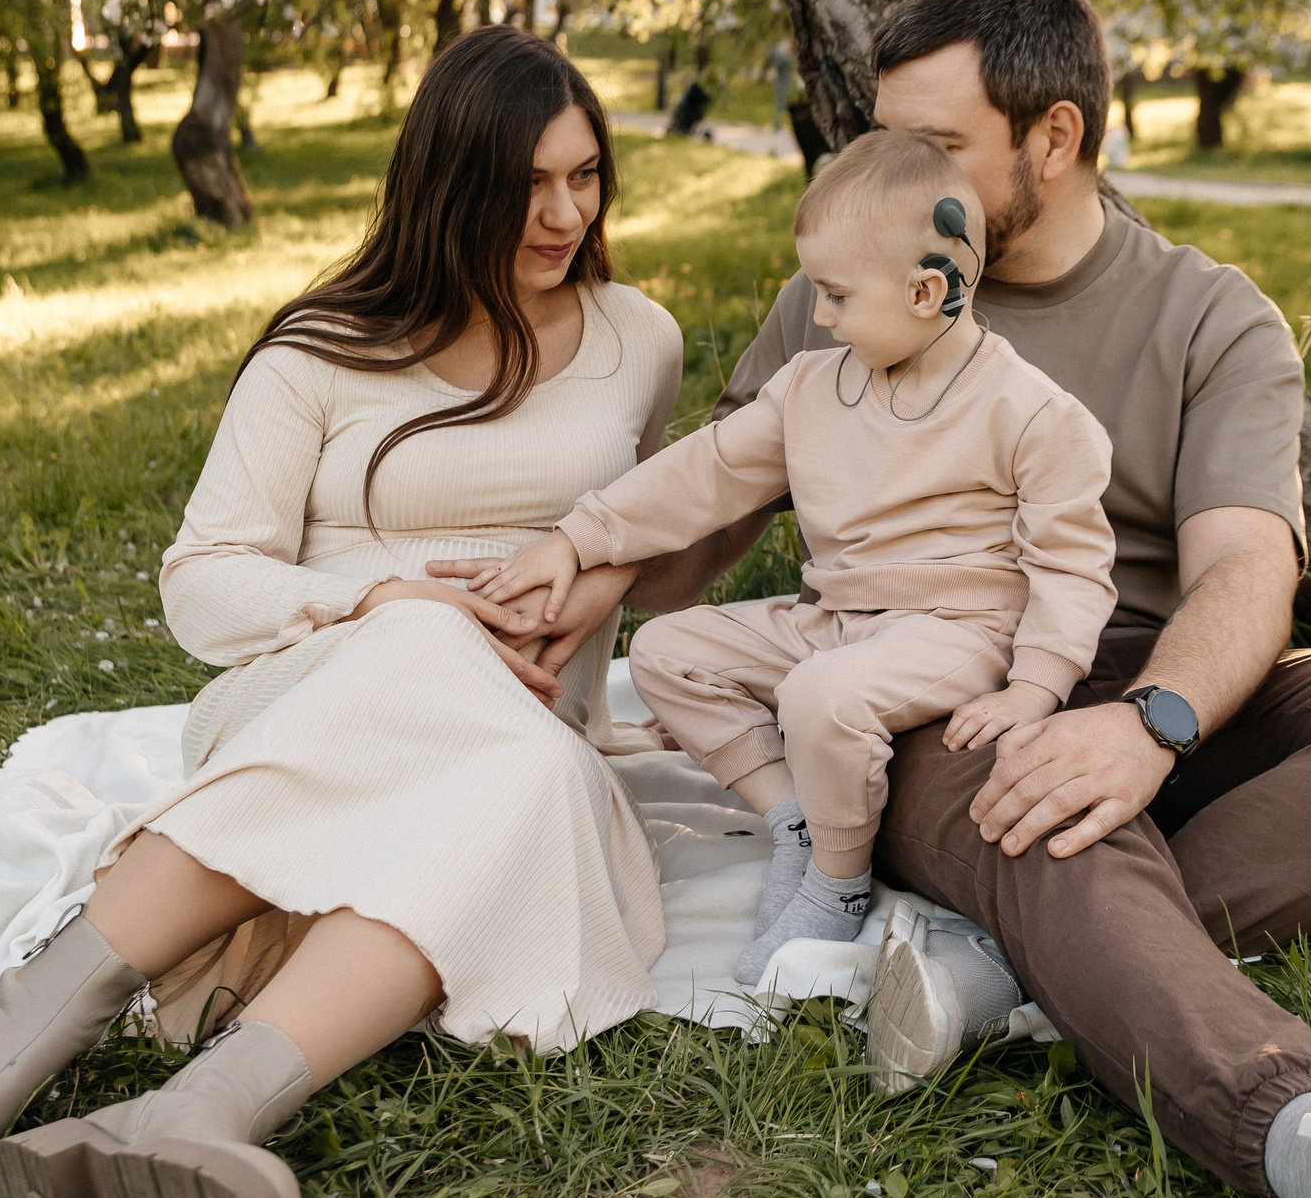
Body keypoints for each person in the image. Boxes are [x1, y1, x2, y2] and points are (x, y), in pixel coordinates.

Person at [428, 0, 1311, 1198]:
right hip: (933, 689)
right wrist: (581, 568)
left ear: (1054, 137)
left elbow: (1243, 572)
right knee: (1046, 819)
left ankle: (1000, 963)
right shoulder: (855, 274)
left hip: (1154, 672)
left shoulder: (1209, 315)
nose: (899, 172)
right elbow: (712, 503)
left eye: (937, 143)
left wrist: (1147, 724)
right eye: (887, 138)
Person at [0, 25, 685, 1198]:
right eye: (527, 186)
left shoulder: (639, 339)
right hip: (315, 704)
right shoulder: (323, 352)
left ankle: (190, 1115)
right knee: (429, 642)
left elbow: (652, 534)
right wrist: (375, 596)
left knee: (530, 774)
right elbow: (203, 580)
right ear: (449, 185)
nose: (564, 215)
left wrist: (606, 576)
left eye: (585, 176)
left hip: (521, 742)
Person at [472, 131, 1115, 984]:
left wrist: (1036, 684)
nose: (820, 316)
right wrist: (578, 536)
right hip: (834, 618)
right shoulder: (813, 387)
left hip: (958, 630)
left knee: (819, 696)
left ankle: (838, 883)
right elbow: (704, 473)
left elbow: (1072, 566)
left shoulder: (1031, 412)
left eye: (837, 295)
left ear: (926, 290)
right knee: (664, 652)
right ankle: (798, 821)